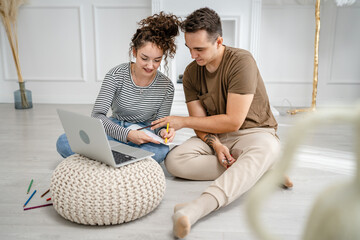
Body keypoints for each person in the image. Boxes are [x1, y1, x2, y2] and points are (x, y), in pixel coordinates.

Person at [150, 7, 293, 238]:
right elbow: (201, 123)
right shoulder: (190, 73)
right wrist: (216, 146)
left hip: (254, 133)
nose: (193, 56)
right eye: (189, 48)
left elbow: (234, 122)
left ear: (219, 42)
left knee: (267, 148)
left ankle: (195, 209)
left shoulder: (241, 61)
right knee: (175, 161)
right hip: (215, 135)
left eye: (199, 49)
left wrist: (182, 122)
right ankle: (260, 171)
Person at [56, 12, 180, 163]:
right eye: (144, 58)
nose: (150, 66)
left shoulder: (166, 86)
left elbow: (159, 125)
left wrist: (164, 133)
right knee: (64, 142)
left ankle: (107, 159)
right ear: (134, 52)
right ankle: (126, 161)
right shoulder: (116, 75)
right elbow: (97, 116)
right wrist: (127, 135)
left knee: (161, 151)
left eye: (157, 60)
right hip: (114, 128)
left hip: (143, 134)